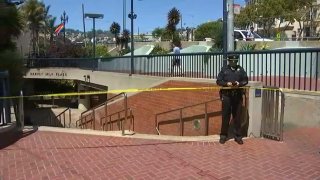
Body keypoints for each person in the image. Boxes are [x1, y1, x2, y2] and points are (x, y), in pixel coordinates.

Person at [216, 54, 248, 145]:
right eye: (232, 61)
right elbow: (218, 81)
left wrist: (239, 83)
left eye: (235, 61)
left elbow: (245, 80)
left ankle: (238, 136)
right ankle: (223, 136)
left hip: (237, 96)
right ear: (229, 61)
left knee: (237, 117)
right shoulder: (224, 69)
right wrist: (227, 84)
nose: (234, 62)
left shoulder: (240, 70)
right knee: (225, 116)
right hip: (227, 96)